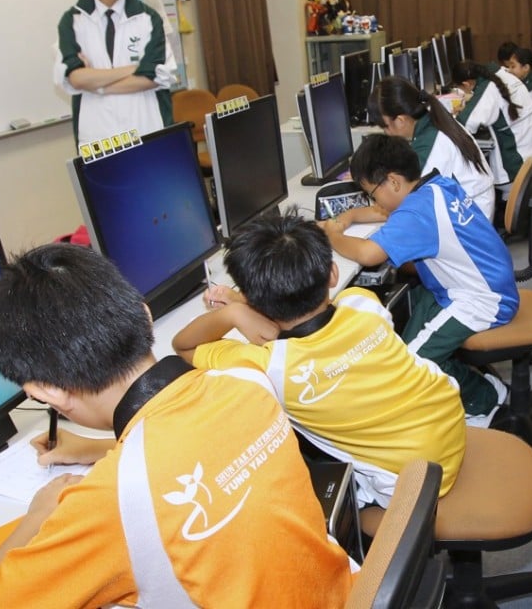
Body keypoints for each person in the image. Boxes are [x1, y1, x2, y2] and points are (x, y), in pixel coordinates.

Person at [0, 244, 352, 608]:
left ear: (45, 390)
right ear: (145, 315)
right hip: (343, 591)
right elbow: (194, 453)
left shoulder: (105, 505)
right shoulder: (244, 378)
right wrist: (93, 449)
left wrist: (38, 517)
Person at [171, 210, 467, 507]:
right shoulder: (363, 304)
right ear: (333, 274)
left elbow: (183, 346)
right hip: (451, 423)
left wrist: (233, 312)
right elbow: (317, 322)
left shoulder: (267, 367)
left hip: (411, 482)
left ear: (255, 299)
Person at [321, 134, 517, 420]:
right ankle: (478, 385)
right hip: (477, 285)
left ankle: (486, 400)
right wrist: (348, 217)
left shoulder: (416, 212)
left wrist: (331, 234)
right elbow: (381, 214)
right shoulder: (436, 187)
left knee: (410, 362)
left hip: (482, 300)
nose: (374, 202)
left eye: (372, 194)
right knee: (406, 329)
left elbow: (367, 254)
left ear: (393, 182)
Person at [54, 0, 176, 146]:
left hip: (146, 127)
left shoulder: (149, 18)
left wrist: (97, 84)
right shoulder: (72, 21)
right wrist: (134, 68)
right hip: (98, 135)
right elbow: (76, 79)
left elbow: (153, 77)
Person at [369, 76, 495, 219]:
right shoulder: (434, 121)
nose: (386, 133)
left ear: (400, 120)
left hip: (469, 220)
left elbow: (402, 203)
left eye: (385, 126)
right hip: (474, 208)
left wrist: (352, 215)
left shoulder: (431, 143)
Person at [452, 60, 532, 192]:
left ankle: (508, 203)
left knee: (480, 175)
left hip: (521, 159)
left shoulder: (487, 89)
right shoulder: (502, 73)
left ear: (467, 84)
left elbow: (463, 126)